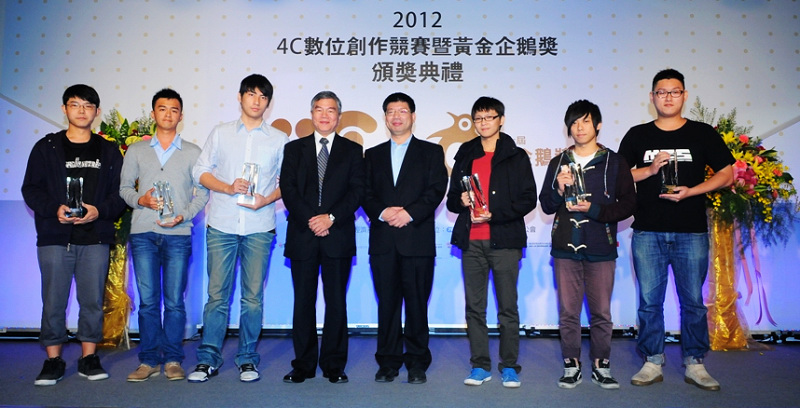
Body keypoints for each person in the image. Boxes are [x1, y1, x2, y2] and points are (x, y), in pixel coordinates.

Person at [618, 69, 734, 391]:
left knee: (693, 302)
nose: (668, 97)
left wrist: (692, 191)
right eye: (661, 92)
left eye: (674, 91)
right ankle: (652, 361)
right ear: (652, 97)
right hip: (648, 231)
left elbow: (727, 174)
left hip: (690, 231)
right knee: (649, 302)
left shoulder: (702, 133)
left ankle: (695, 363)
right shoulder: (638, 135)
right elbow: (618, 176)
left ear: (684, 95)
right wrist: (650, 169)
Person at [22, 84, 127, 386]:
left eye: (88, 105)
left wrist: (99, 211)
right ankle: (53, 360)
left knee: (92, 301)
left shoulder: (108, 151)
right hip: (55, 237)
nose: (81, 110)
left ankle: (88, 358)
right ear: (64, 109)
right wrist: (53, 209)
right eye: (75, 104)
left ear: (97, 112)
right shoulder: (46, 147)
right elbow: (31, 189)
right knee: (53, 301)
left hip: (95, 237)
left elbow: (120, 194)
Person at [188, 74, 288, 383]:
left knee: (252, 298)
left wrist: (266, 199)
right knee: (217, 296)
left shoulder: (278, 139)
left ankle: (247, 359)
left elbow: (289, 183)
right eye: (251, 94)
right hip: (222, 224)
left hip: (259, 226)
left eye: (263, 97)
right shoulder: (220, 133)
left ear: (268, 103)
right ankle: (208, 359)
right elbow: (199, 171)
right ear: (240, 97)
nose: (257, 101)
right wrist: (228, 187)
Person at [539, 100, 636, 390]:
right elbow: (546, 205)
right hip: (565, 247)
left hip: (600, 246)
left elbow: (629, 205)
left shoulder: (614, 162)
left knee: (601, 312)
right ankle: (571, 364)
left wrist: (594, 210)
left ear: (598, 125)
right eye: (574, 123)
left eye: (585, 121)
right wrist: (559, 189)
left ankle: (601, 364)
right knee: (568, 311)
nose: (579, 128)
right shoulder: (559, 162)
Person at [446, 97, 537, 389]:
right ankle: (480, 366)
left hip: (505, 241)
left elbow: (528, 199)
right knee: (475, 308)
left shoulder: (515, 155)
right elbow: (451, 199)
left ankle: (509, 366)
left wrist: (495, 215)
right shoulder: (466, 153)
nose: (483, 123)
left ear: (501, 120)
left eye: (489, 117)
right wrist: (461, 200)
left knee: (507, 308)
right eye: (478, 118)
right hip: (471, 242)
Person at [120, 88, 209, 382]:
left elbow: (203, 193)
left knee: (174, 302)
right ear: (153, 114)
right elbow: (124, 189)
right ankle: (147, 361)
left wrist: (185, 214)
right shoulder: (136, 150)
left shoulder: (193, 152)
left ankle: (172, 359)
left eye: (174, 110)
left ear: (181, 116)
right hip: (143, 233)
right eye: (162, 108)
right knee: (148, 302)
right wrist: (141, 200)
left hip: (178, 234)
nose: (168, 114)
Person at [280, 91, 365, 384]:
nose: (325, 115)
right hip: (303, 235)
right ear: (312, 114)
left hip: (337, 235)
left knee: (336, 301)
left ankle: (333, 364)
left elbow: (357, 191)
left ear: (338, 116)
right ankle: (303, 365)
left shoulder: (353, 150)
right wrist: (313, 220)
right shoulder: (294, 149)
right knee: (303, 302)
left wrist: (330, 218)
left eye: (331, 110)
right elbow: (289, 189)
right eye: (319, 109)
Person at [363, 92, 448, 384]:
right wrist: (383, 211)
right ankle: (387, 362)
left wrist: (409, 213)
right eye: (390, 111)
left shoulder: (431, 152)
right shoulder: (372, 154)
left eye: (402, 111)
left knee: (416, 304)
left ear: (413, 116)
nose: (396, 116)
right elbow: (364, 192)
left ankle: (416, 362)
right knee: (387, 304)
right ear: (385, 118)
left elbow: (436, 190)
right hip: (383, 242)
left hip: (416, 240)